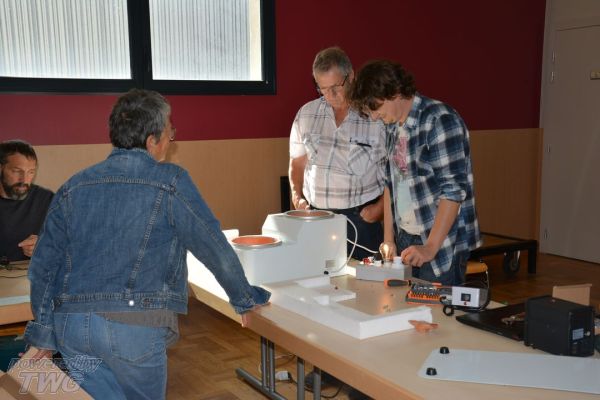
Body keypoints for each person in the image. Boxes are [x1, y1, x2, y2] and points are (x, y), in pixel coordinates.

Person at [24, 89, 271, 399]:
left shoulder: (74, 185)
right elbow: (210, 243)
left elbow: (44, 266)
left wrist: (44, 333)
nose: (171, 138)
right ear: (153, 140)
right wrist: (244, 297)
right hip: (132, 326)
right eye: (169, 131)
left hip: (72, 327)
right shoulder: (170, 181)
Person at [348, 60, 482, 286]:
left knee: (434, 307)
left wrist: (430, 247)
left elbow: (453, 192)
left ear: (395, 92)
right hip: (406, 236)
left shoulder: (439, 120)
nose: (374, 117)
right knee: (404, 305)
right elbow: (390, 183)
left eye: (376, 108)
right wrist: (388, 239)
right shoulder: (392, 126)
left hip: (441, 241)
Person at [289, 47, 387, 260]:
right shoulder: (306, 114)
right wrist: (297, 197)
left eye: (335, 87)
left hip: (361, 220)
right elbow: (297, 163)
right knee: (316, 278)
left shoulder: (376, 115)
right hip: (316, 217)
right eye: (323, 89)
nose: (330, 96)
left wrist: (379, 210)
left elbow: (396, 174)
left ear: (351, 76)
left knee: (365, 281)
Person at [0, 140, 53, 263]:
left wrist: (46, 246)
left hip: (28, 274)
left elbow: (74, 241)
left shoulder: (47, 200)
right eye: (17, 171)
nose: (24, 180)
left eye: (31, 172)